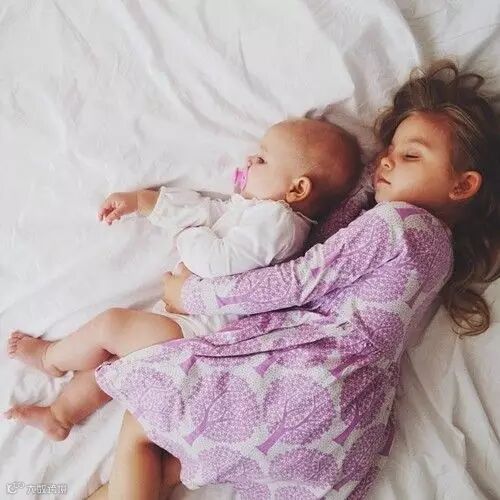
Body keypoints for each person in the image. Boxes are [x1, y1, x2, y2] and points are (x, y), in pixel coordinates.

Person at [90, 60, 499, 499]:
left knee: (143, 419)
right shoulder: (442, 252)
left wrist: (194, 295)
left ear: (463, 185)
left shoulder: (396, 224)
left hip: (306, 385)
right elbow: (332, 248)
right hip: (345, 425)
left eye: (411, 155)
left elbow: (300, 278)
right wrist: (366, 185)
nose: (387, 160)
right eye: (389, 150)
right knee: (172, 462)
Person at [4, 117, 362, 440]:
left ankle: (52, 359)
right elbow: (209, 210)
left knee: (112, 327)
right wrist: (147, 203)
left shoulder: (277, 223)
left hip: (199, 335)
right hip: (189, 325)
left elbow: (216, 260)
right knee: (115, 360)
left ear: (297, 189)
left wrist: (186, 233)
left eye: (263, 159)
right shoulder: (260, 212)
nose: (250, 160)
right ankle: (60, 415)